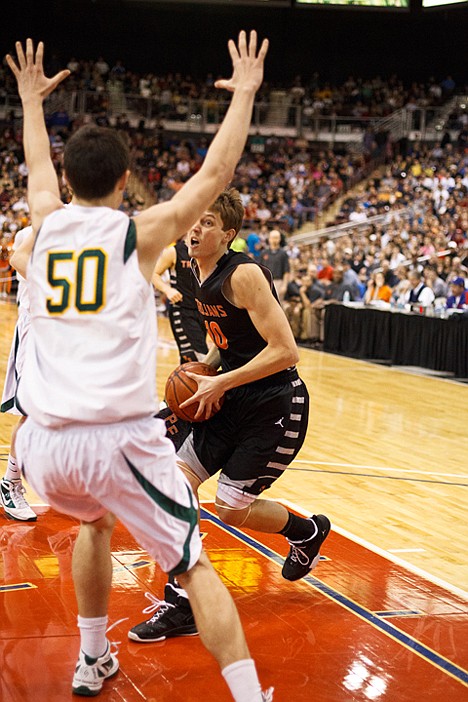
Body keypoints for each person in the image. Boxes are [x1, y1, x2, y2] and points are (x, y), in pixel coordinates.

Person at [8, 35, 273, 701]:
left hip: (39, 447)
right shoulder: (138, 232)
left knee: (95, 522)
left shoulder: (44, 223)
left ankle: (92, 657)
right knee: (194, 567)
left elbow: (35, 165)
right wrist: (243, 93)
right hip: (113, 440)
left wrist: (29, 102)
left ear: (68, 183)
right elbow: (215, 174)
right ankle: (249, 697)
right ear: (126, 182)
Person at [129, 187, 330, 644]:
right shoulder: (197, 275)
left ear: (228, 235)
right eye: (194, 220)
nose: (196, 228)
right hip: (230, 397)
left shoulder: (244, 274)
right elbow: (228, 338)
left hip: (274, 403)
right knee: (176, 481)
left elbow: (285, 350)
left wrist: (220, 381)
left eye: (208, 223)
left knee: (231, 508)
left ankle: (308, 531)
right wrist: (202, 371)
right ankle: (182, 602)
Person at [0, 225, 37, 521]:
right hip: (37, 329)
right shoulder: (34, 230)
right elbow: (18, 261)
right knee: (31, 411)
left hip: (70, 333)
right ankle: (9, 482)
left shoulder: (91, 225)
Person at [152, 237, 208, 363]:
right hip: (182, 310)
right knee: (199, 356)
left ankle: (184, 383)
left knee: (188, 360)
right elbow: (154, 274)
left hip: (202, 311)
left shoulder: (205, 251)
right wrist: (168, 290)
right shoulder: (174, 251)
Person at [258, 228, 290, 305]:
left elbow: (286, 271)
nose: (274, 240)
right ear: (269, 239)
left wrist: (284, 285)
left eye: (276, 237)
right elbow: (260, 269)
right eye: (272, 237)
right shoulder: (264, 253)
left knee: (277, 305)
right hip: (265, 282)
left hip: (278, 281)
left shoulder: (283, 253)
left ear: (279, 239)